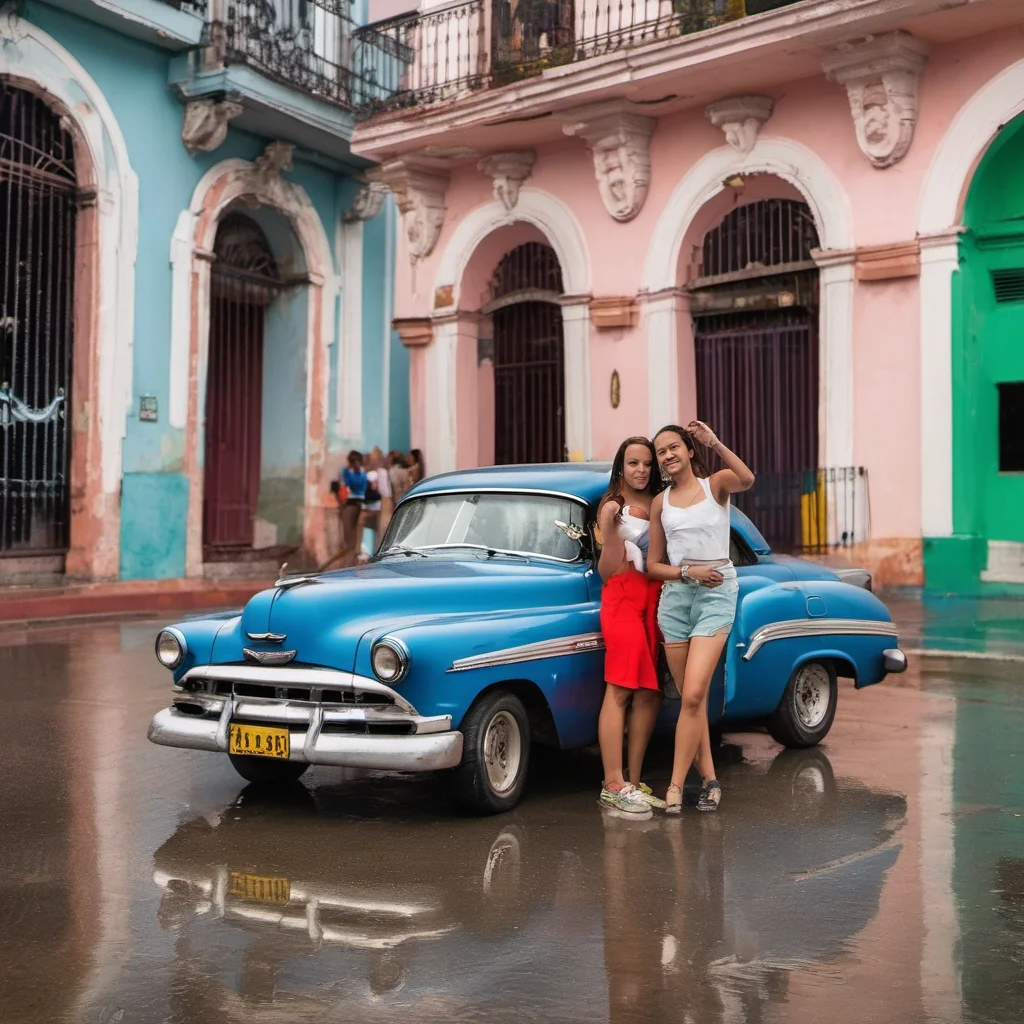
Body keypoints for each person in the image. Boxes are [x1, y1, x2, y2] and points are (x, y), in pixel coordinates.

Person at [646, 421, 755, 814]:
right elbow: (653, 565)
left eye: (674, 447)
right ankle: (710, 781)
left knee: (692, 695)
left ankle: (675, 787)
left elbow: (747, 477)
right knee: (692, 702)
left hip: (716, 595)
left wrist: (715, 442)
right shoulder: (661, 503)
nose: (668, 455)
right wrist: (686, 573)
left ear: (690, 451)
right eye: (661, 452)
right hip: (676, 601)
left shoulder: (716, 486)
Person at [595, 436, 666, 816]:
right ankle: (612, 783)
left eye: (647, 464)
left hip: (653, 600)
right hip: (622, 600)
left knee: (650, 693)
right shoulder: (611, 506)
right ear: (620, 467)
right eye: (633, 463)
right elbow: (607, 571)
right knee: (620, 689)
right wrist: (610, 532)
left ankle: (633, 782)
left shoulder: (658, 502)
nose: (641, 470)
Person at [338, 450, 367, 567]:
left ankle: (353, 561)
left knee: (356, 534)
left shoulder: (360, 473)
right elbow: (349, 484)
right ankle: (347, 562)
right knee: (348, 534)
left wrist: (355, 473)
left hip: (359, 503)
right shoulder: (346, 472)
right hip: (348, 504)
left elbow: (359, 484)